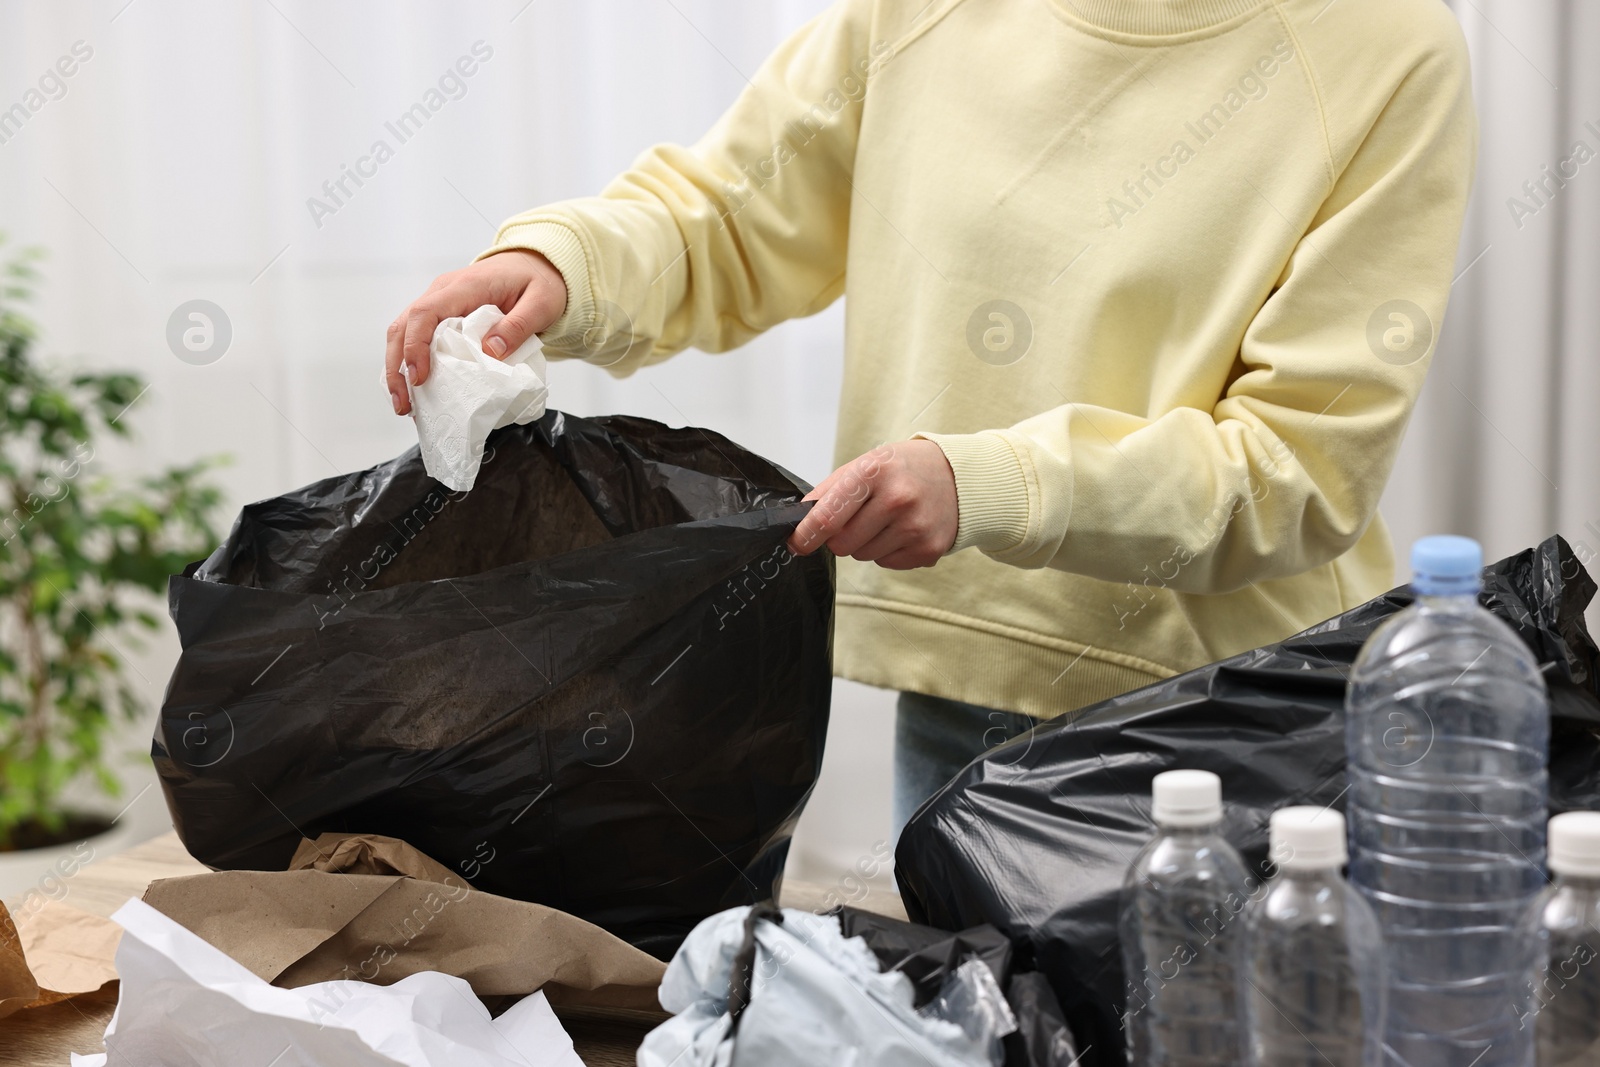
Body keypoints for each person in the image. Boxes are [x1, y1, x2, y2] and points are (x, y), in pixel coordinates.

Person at [382, 0, 1476, 837]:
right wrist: (560, 264)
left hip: (1236, 720)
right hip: (971, 696)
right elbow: (729, 215)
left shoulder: (1384, 50)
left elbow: (1296, 468)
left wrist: (991, 484)